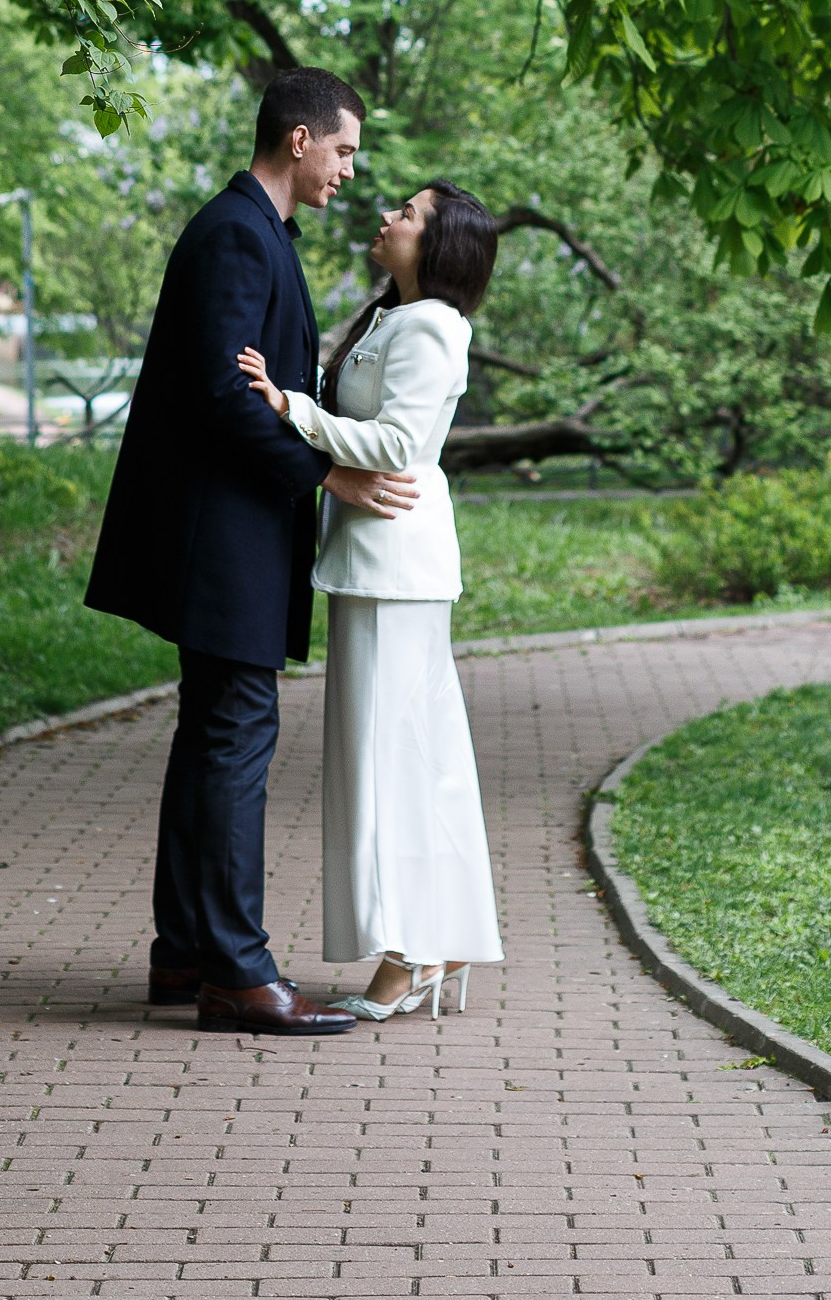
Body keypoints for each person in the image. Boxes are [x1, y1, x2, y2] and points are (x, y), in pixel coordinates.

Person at [84, 67, 419, 1037]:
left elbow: (259, 383)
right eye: (346, 150)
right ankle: (233, 969)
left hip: (228, 537)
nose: (351, 171)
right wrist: (324, 474)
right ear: (299, 139)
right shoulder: (235, 232)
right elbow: (222, 394)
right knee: (235, 737)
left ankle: (184, 950)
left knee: (211, 737)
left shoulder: (257, 232)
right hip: (220, 538)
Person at [239, 179, 503, 1020]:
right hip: (375, 564)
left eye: (408, 214)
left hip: (395, 564)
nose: (388, 217)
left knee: (392, 761)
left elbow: (398, 444)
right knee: (413, 755)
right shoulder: (396, 316)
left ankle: (412, 951)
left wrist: (296, 411)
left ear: (441, 243)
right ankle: (442, 938)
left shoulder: (431, 327)